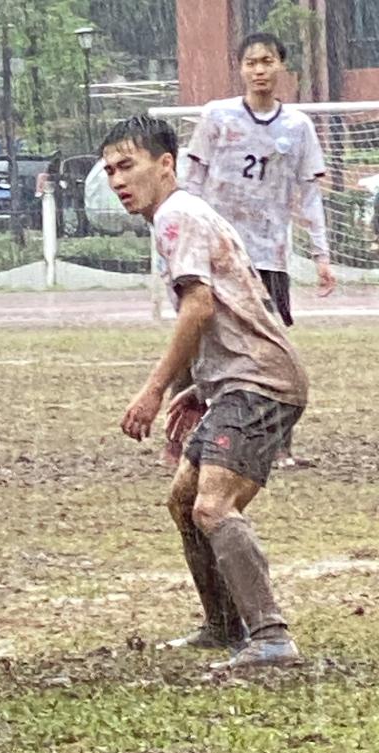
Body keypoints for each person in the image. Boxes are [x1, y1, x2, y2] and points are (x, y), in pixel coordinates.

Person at [106, 114, 305, 668]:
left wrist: (153, 391)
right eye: (110, 171)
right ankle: (222, 626)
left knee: (213, 506)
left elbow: (198, 307)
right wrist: (199, 385)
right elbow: (222, 308)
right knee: (184, 500)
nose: (118, 180)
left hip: (259, 382)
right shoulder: (177, 216)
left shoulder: (178, 215)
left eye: (127, 166)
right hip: (241, 378)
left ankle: (271, 637)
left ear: (165, 164)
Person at [184, 31, 334, 466]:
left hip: (269, 255)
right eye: (251, 62)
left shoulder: (298, 127)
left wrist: (321, 254)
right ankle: (187, 439)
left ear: (281, 66)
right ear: (240, 68)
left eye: (267, 61)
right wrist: (183, 240)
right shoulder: (217, 116)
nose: (259, 70)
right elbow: (192, 181)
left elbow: (309, 195)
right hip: (217, 255)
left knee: (271, 348)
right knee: (201, 340)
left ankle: (277, 444)